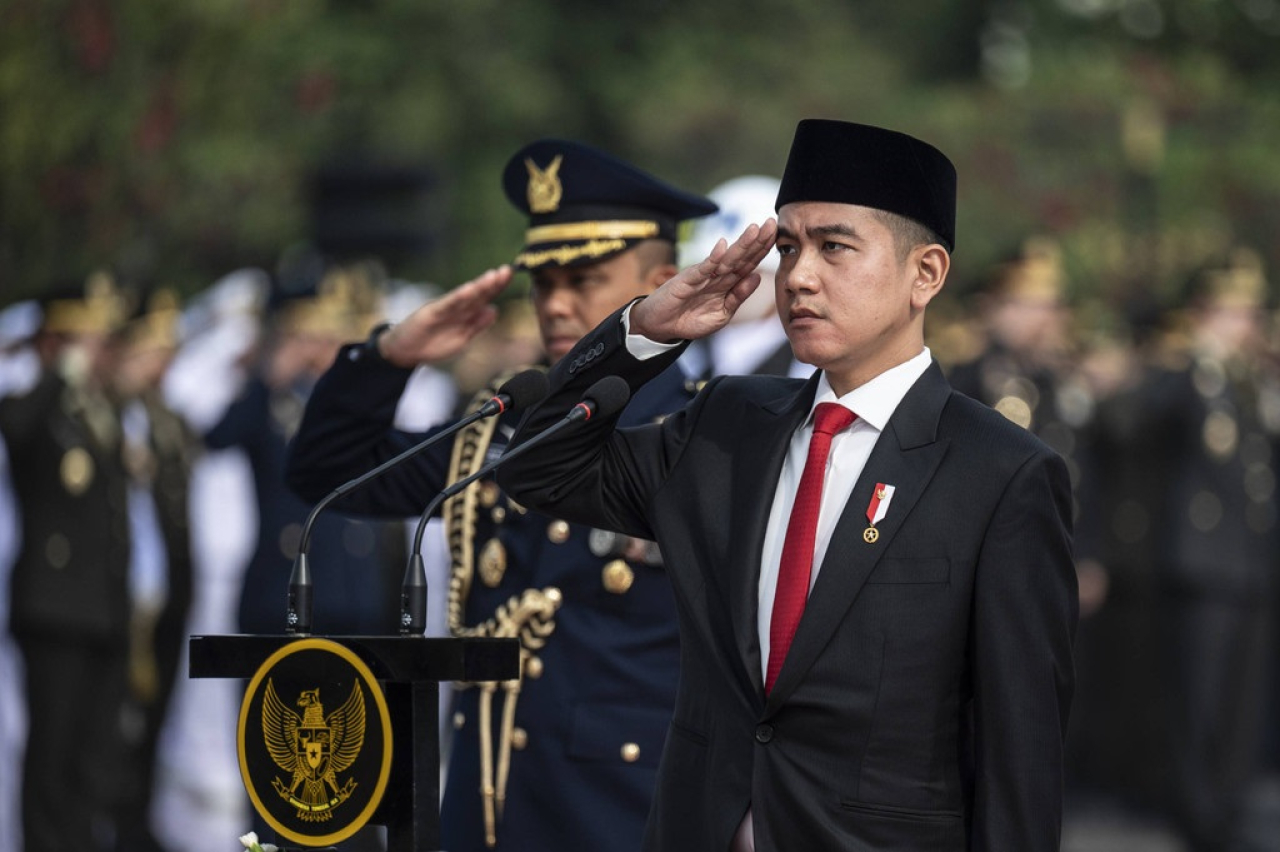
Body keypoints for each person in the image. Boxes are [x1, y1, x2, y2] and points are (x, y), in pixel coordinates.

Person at [498, 118, 1079, 851]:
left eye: (835, 247)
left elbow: (1019, 755)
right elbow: (538, 468)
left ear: (925, 274)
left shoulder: (1000, 472)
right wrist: (645, 329)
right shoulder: (727, 425)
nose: (799, 277)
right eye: (787, 249)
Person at [285, 138, 718, 851]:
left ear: (664, 282)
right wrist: (387, 357)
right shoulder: (499, 426)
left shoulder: (701, 431)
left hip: (623, 810)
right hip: (488, 801)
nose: (556, 303)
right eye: (542, 282)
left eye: (584, 278)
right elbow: (325, 472)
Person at [0, 274, 135, 852]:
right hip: (54, 609)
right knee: (51, 754)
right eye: (90, 341)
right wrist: (60, 371)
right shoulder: (31, 401)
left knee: (92, 755)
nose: (102, 352)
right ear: (56, 342)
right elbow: (17, 433)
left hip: (102, 608)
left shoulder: (96, 412)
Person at [678, 175, 811, 384]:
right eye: (711, 270)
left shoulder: (812, 366)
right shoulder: (683, 356)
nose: (722, 282)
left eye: (741, 269)